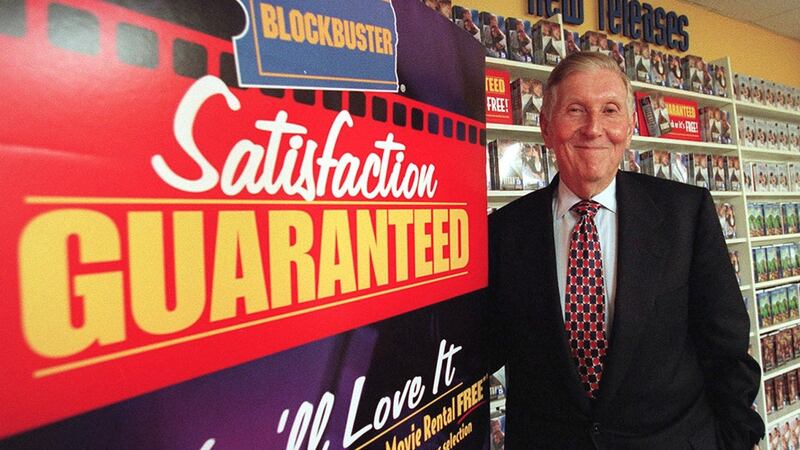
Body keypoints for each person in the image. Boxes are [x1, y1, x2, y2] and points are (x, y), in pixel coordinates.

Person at [487, 52, 763, 449]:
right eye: (575, 110)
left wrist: (736, 441)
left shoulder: (686, 214)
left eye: (610, 110)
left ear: (630, 127)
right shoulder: (506, 230)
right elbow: (486, 347)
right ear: (546, 128)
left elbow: (728, 350)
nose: (593, 128)